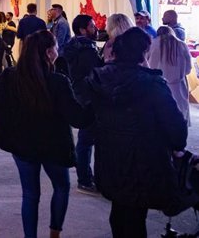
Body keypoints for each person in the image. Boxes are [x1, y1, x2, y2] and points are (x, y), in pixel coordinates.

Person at [0, 30, 93, 238]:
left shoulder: (11, 76)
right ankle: (54, 234)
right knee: (62, 187)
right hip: (53, 145)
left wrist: (3, 117)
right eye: (56, 48)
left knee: (30, 194)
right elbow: (77, 117)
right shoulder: (57, 81)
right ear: (49, 52)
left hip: (22, 144)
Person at [82, 27, 187, 237]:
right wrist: (176, 148)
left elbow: (88, 118)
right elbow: (176, 129)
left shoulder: (100, 79)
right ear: (143, 52)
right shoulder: (152, 84)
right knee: (133, 219)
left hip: (110, 158)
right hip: (142, 162)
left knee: (121, 212)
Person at [62, 14, 104, 195]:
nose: (95, 29)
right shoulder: (87, 50)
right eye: (92, 26)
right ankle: (85, 180)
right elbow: (95, 74)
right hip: (89, 97)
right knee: (87, 140)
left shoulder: (74, 46)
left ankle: (85, 177)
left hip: (81, 95)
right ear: (82, 30)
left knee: (85, 139)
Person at [149, 26, 193, 125]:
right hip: (179, 86)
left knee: (160, 119)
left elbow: (148, 66)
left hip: (158, 86)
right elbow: (188, 69)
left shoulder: (153, 44)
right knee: (180, 116)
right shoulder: (182, 45)